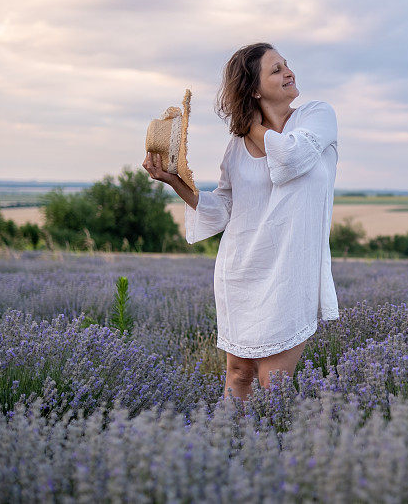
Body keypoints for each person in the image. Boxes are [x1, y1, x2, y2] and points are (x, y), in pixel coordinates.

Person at [142, 42, 340, 405]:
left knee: (273, 383)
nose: (288, 72)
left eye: (286, 65)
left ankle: (270, 457)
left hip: (290, 273)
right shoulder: (236, 146)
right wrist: (175, 182)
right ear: (253, 88)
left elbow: (292, 157)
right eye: (276, 69)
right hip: (241, 270)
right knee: (238, 374)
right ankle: (227, 452)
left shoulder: (317, 116)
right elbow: (224, 206)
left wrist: (250, 124)